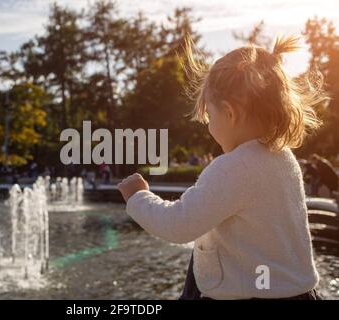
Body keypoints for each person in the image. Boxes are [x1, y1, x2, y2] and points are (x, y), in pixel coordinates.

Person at [117, 36, 326, 300]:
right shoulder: (283, 158)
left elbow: (179, 224)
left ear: (230, 113)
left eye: (208, 115)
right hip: (297, 292)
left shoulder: (234, 167)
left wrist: (138, 197)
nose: (207, 125)